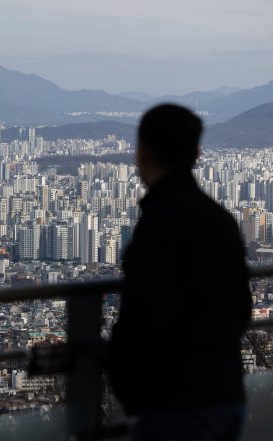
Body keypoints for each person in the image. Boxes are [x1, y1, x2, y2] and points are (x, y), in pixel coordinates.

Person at [107, 104, 252, 440]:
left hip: (175, 405)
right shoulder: (221, 219)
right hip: (228, 395)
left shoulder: (159, 223)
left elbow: (142, 319)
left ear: (141, 153)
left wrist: (129, 389)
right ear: (197, 154)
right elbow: (241, 309)